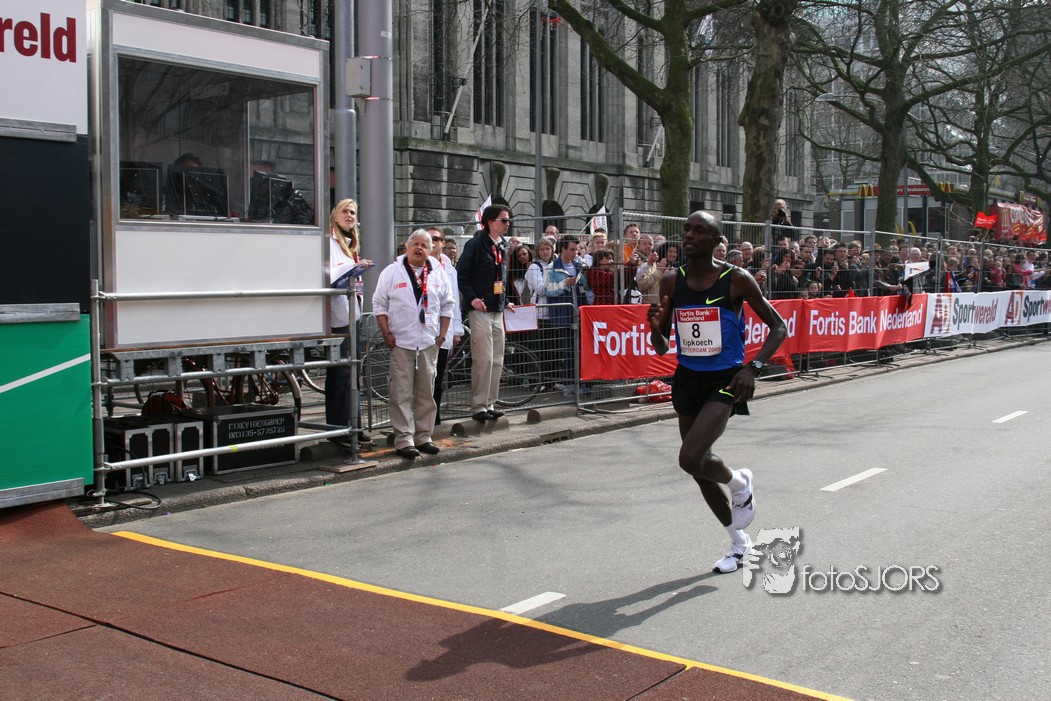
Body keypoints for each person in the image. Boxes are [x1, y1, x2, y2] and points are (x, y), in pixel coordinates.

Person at [647, 210, 787, 575]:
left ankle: (740, 481)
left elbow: (778, 327)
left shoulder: (735, 279)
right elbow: (661, 346)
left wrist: (753, 368)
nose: (689, 235)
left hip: (725, 380)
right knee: (698, 468)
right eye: (686, 229)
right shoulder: (671, 281)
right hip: (687, 378)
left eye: (699, 230)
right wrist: (655, 327)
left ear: (715, 241)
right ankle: (739, 544)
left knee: (690, 457)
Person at [372, 230, 455, 459]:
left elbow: (448, 305)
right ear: (407, 248)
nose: (419, 248)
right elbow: (379, 304)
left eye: (424, 245)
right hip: (401, 342)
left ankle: (424, 436)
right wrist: (387, 334)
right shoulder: (392, 272)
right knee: (400, 394)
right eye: (415, 244)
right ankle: (403, 439)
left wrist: (441, 337)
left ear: (430, 250)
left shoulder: (438, 273)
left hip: (428, 342)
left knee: (426, 393)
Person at [327, 199, 375, 449]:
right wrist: (353, 268)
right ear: (335, 215)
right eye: (345, 211)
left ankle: (353, 425)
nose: (349, 215)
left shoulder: (349, 243)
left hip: (351, 314)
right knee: (341, 373)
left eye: (353, 212)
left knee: (352, 373)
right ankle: (339, 429)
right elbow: (329, 275)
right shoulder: (329, 242)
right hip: (339, 318)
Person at [456, 204, 512, 422]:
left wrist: (505, 300)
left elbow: (501, 277)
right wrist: (472, 298)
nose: (508, 224)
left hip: (497, 309)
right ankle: (479, 406)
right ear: (490, 222)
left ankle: (490, 403)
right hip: (480, 310)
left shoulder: (502, 245)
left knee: (497, 359)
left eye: (508, 220)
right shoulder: (476, 244)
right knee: (483, 359)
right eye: (504, 220)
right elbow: (461, 275)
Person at [545, 234, 591, 396]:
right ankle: (569, 384)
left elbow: (587, 288)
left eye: (576, 250)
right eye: (571, 249)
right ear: (563, 249)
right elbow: (548, 290)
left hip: (580, 314)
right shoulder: (551, 267)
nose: (574, 253)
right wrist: (564, 284)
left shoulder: (580, 265)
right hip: (563, 315)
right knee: (568, 350)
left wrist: (586, 277)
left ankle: (583, 382)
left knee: (582, 350)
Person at [428, 227, 463, 426]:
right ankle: (422, 416)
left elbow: (454, 302)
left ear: (443, 242)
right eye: (429, 238)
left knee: (438, 374)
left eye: (437, 239)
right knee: (424, 377)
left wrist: (456, 330)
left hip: (444, 330)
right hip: (424, 330)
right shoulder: (419, 263)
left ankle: (435, 416)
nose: (433, 242)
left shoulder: (449, 268)